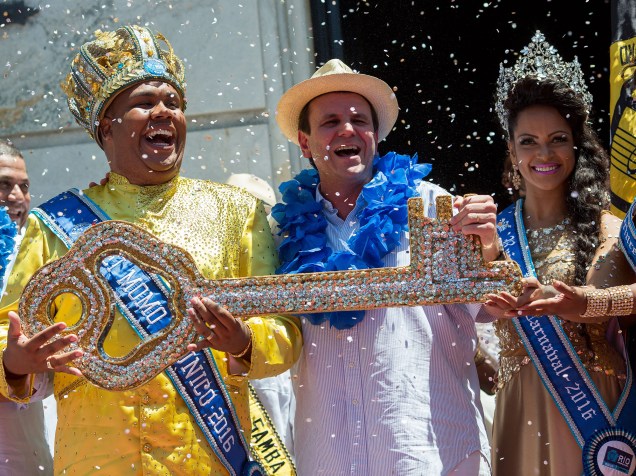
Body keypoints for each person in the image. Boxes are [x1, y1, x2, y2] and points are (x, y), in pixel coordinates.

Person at [0, 25, 301, 475]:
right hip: (97, 460)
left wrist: (244, 342)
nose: (164, 112)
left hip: (208, 460)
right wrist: (16, 361)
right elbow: (9, 327)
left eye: (173, 103)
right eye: (144, 103)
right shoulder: (53, 226)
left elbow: (284, 327)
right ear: (107, 126)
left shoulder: (238, 214)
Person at [273, 58, 504, 475]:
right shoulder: (281, 233)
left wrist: (489, 247)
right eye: (330, 122)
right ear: (305, 144)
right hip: (330, 460)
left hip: (430, 454)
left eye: (359, 120)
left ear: (375, 136)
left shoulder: (433, 207)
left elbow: (494, 309)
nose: (347, 130)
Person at [483, 31, 636, 475]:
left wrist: (586, 304)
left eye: (557, 138)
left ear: (576, 145)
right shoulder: (487, 235)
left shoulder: (610, 228)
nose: (543, 153)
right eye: (528, 141)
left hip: (598, 419)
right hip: (519, 412)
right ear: (511, 151)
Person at [0, 140, 54, 475]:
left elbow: (48, 372)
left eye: (25, 186)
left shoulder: (39, 266)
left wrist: (16, 370)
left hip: (22, 459)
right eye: (4, 184)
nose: (18, 196)